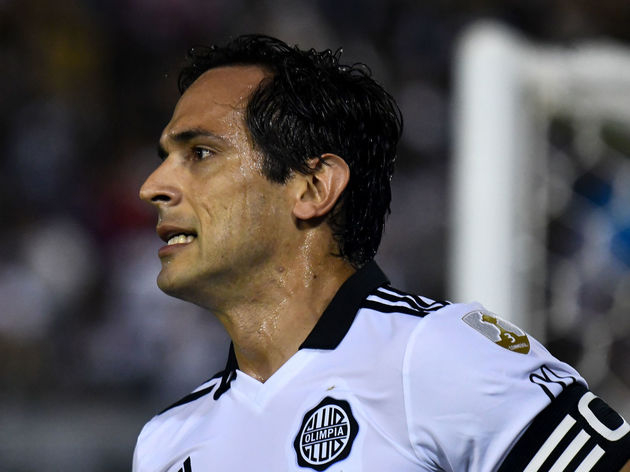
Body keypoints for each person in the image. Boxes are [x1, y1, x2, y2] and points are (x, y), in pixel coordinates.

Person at [133, 34, 630, 472]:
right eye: (164, 158)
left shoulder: (436, 354)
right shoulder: (166, 442)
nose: (152, 186)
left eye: (200, 153)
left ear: (312, 187)